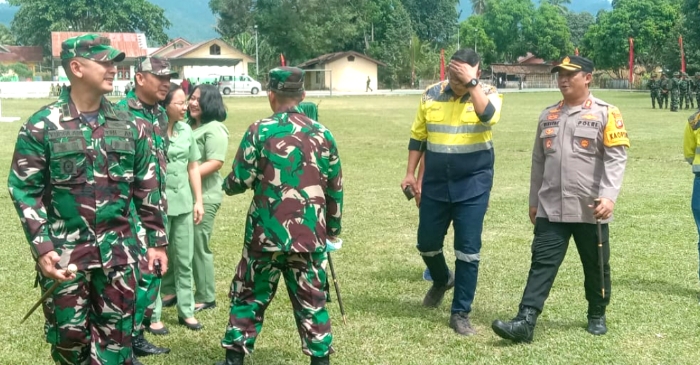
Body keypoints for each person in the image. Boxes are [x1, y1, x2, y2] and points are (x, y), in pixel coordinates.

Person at [7, 33, 168, 365]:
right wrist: (43, 248)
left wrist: (157, 241)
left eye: (114, 63)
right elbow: (25, 190)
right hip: (67, 260)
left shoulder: (130, 126)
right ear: (77, 67)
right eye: (105, 62)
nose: (112, 69)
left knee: (116, 344)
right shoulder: (41, 126)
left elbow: (147, 185)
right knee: (69, 344)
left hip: (119, 259)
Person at [491, 55, 630, 343]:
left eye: (570, 74)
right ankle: (525, 321)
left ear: (587, 77)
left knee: (596, 265)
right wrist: (533, 201)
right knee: (541, 263)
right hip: (550, 206)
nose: (563, 79)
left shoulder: (607, 113)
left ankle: (596, 313)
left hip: (589, 208)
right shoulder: (548, 115)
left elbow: (616, 158)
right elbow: (538, 161)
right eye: (560, 74)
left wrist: (609, 196)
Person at [216, 66, 343, 365]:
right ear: (302, 95)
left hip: (265, 234)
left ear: (270, 95)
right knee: (312, 300)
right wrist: (332, 230)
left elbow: (239, 180)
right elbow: (334, 188)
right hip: (310, 235)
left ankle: (234, 358)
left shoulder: (259, 130)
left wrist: (227, 185)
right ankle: (320, 359)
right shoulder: (323, 134)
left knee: (249, 295)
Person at [400, 48, 503, 336]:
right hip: (434, 183)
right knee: (427, 243)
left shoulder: (488, 92)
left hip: (473, 185)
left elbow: (489, 117)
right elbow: (418, 136)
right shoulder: (431, 94)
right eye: (453, 78)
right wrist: (411, 173)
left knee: (467, 251)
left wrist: (471, 85)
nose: (456, 84)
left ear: (476, 72)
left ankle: (460, 313)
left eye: (463, 77)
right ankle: (443, 278)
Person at [117, 56, 176, 357]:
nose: (166, 82)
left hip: (156, 211)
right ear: (140, 78)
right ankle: (121, 341)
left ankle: (136, 334)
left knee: (153, 272)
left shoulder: (160, 116)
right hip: (131, 214)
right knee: (130, 278)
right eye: (160, 77)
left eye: (169, 77)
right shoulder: (119, 115)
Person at [158, 82, 205, 330]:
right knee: (156, 262)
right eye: (179, 103)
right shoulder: (152, 130)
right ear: (165, 107)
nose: (185, 106)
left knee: (184, 259)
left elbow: (193, 166)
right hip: (157, 206)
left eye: (185, 102)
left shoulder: (187, 130)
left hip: (184, 203)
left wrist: (199, 200)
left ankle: (186, 311)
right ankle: (153, 315)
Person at [188, 84, 229, 312]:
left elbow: (215, 162)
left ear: (210, 103)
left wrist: (184, 176)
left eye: (197, 99)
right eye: (191, 98)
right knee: (180, 245)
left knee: (198, 246)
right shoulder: (187, 126)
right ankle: (172, 291)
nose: (192, 102)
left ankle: (206, 295)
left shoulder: (215, 129)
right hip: (185, 196)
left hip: (205, 196)